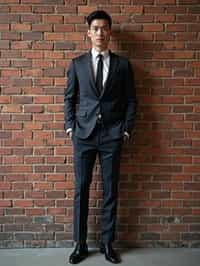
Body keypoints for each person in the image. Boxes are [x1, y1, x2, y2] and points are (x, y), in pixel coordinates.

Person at [64, 10, 137, 264]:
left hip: (111, 136)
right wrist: (70, 127)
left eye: (104, 28)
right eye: (95, 28)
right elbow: (69, 98)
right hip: (83, 136)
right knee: (81, 190)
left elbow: (130, 100)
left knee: (110, 191)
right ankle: (80, 244)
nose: (100, 32)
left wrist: (126, 129)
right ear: (88, 32)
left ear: (110, 32)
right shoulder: (77, 64)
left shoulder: (122, 65)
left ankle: (107, 244)